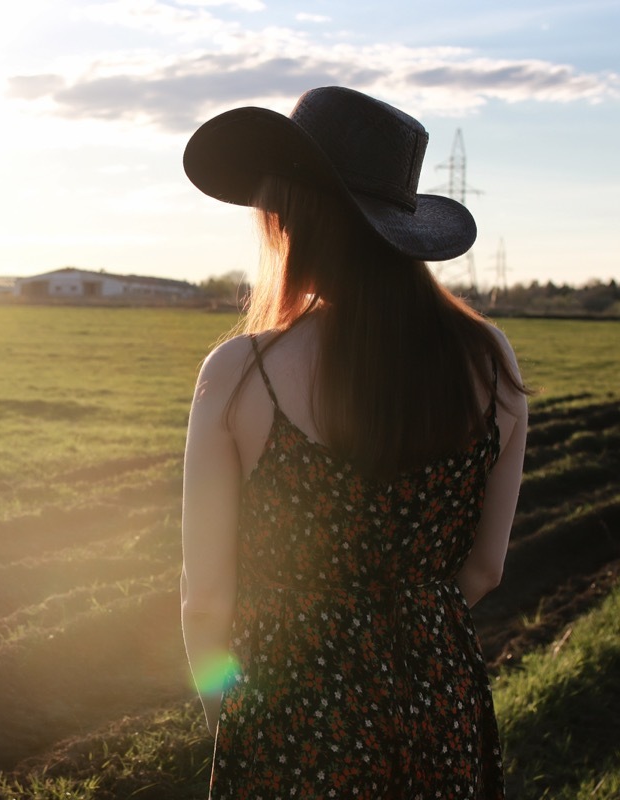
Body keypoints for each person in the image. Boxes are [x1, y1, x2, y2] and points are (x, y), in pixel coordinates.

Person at [179, 86, 528, 799]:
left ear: (292, 218)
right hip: (441, 706)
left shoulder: (242, 374)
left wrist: (234, 718)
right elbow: (485, 569)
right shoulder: (491, 361)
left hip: (293, 715)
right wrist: (406, 632)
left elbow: (207, 601)